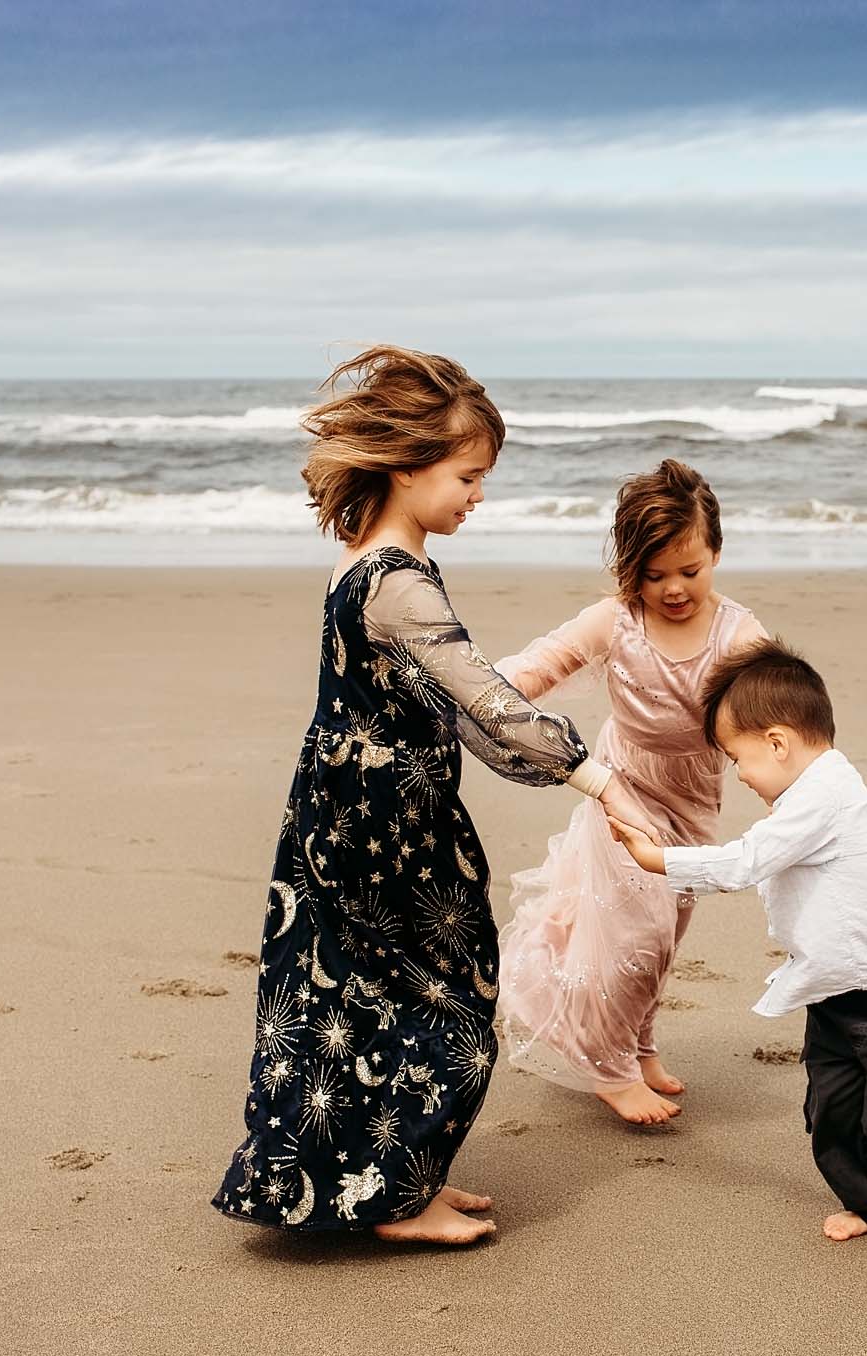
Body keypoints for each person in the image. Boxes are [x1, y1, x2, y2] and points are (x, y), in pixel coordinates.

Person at [212, 345, 654, 1247]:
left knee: (355, 997)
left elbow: (453, 713)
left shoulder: (359, 559)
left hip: (351, 810)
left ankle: (393, 1183)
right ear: (408, 466)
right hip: (380, 826)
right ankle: (396, 1199)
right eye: (468, 475)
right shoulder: (399, 583)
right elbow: (486, 698)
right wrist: (601, 780)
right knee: (442, 993)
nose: (478, 495)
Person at [609, 641, 867, 1240]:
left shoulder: (827, 794)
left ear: (777, 742)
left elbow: (748, 862)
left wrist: (657, 859)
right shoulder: (802, 798)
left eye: (737, 758)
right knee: (832, 1116)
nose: (740, 775)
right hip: (834, 990)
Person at [494, 459, 770, 1124]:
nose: (674, 588)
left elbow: (772, 725)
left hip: (694, 798)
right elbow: (539, 665)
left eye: (690, 570)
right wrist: (488, 691)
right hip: (623, 789)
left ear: (717, 554)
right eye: (654, 575)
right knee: (632, 933)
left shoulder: (740, 636)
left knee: (665, 931)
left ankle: (640, 1044)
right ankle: (609, 1068)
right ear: (629, 569)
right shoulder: (613, 622)